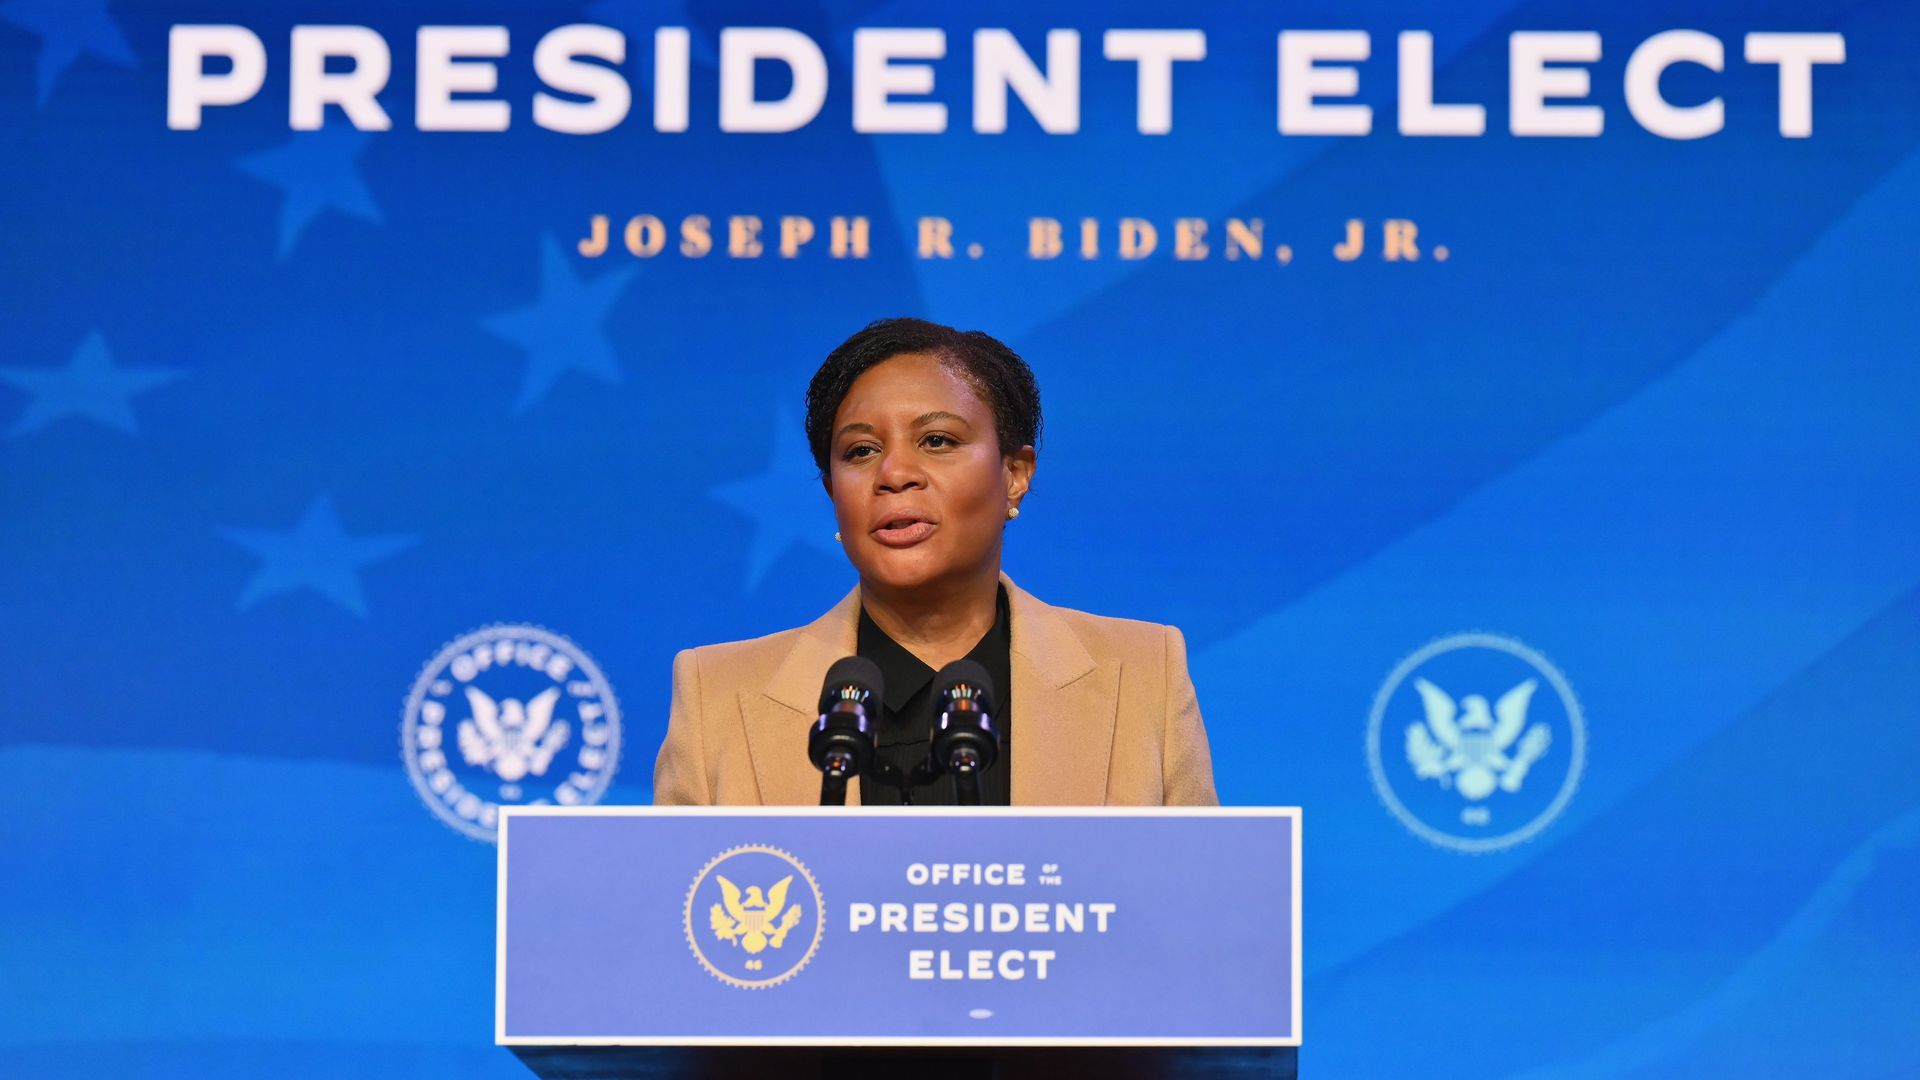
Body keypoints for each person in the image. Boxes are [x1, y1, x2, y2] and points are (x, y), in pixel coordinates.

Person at [652, 317, 1217, 806]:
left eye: (938, 441)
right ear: (832, 493)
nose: (895, 474)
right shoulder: (717, 695)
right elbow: (667, 920)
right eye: (860, 451)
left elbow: (1201, 914)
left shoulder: (1144, 678)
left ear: (1015, 475)